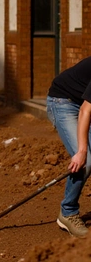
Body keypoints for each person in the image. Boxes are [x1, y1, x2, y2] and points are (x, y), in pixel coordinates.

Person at [46, 56, 91, 237]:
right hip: (63, 102)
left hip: (82, 102)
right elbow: (85, 111)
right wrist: (81, 151)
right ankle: (68, 212)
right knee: (86, 161)